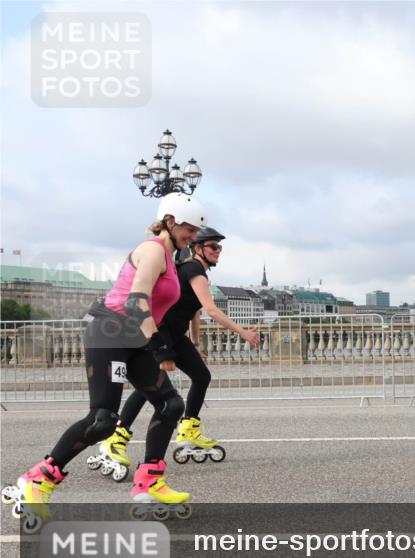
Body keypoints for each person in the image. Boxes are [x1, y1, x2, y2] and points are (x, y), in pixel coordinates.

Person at [1, 194, 206, 530]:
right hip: (110, 335)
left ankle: (150, 481)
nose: (192, 236)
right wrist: (161, 348)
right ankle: (37, 481)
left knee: (170, 404)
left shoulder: (172, 257)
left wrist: (157, 341)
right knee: (102, 421)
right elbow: (137, 299)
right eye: (188, 228)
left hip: (135, 340)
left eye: (196, 230)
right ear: (169, 220)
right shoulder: (153, 250)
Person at [89, 226, 260, 480]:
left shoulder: (193, 270)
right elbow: (211, 309)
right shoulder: (193, 270)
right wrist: (243, 332)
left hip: (175, 335)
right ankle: (116, 437)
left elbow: (194, 311)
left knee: (200, 376)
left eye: (220, 247)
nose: (218, 252)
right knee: (150, 389)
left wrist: (195, 342)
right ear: (198, 248)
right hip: (161, 333)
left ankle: (188, 427)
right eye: (214, 247)